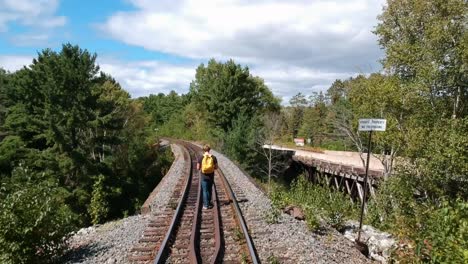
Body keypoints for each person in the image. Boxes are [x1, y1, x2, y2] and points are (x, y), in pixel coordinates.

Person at [196, 144, 218, 209]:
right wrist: (211, 168)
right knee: (209, 189)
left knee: (205, 191)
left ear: (204, 150)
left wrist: (203, 168)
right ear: (209, 150)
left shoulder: (201, 157)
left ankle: (206, 205)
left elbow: (198, 168)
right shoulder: (213, 157)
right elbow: (216, 167)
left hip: (204, 176)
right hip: (211, 176)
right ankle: (209, 202)